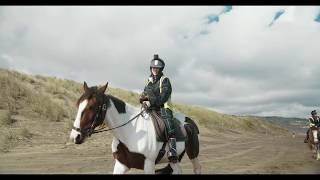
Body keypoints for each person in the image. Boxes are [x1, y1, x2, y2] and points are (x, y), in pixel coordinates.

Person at [139, 54, 177, 162]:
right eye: (153, 68)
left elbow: (164, 96)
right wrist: (142, 98)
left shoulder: (165, 80)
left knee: (168, 124)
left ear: (161, 69)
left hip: (164, 107)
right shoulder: (149, 80)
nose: (155, 70)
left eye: (157, 68)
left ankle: (173, 150)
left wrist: (151, 101)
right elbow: (145, 92)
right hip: (152, 107)